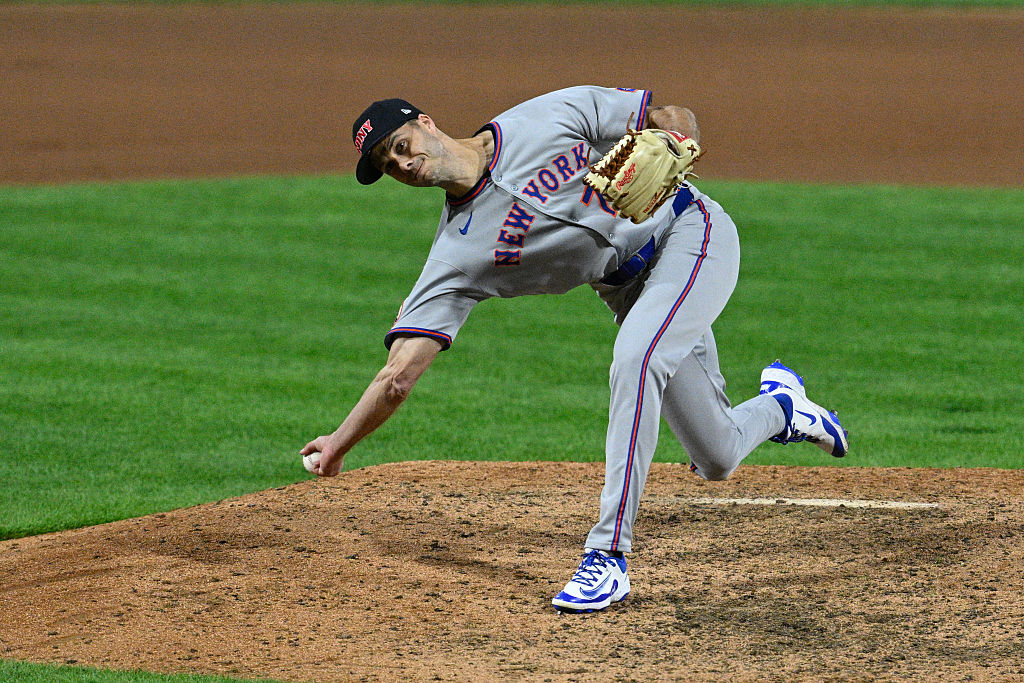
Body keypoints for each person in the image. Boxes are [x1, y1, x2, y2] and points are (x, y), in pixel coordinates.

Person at [302, 86, 848, 613]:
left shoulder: (542, 117)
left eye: (400, 146)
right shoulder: (456, 256)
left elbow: (670, 115)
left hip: (691, 234)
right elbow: (397, 376)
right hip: (632, 291)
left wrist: (675, 140)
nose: (402, 164)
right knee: (717, 455)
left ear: (426, 123)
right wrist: (338, 445)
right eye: (388, 166)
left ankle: (607, 555)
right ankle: (784, 407)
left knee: (635, 360)